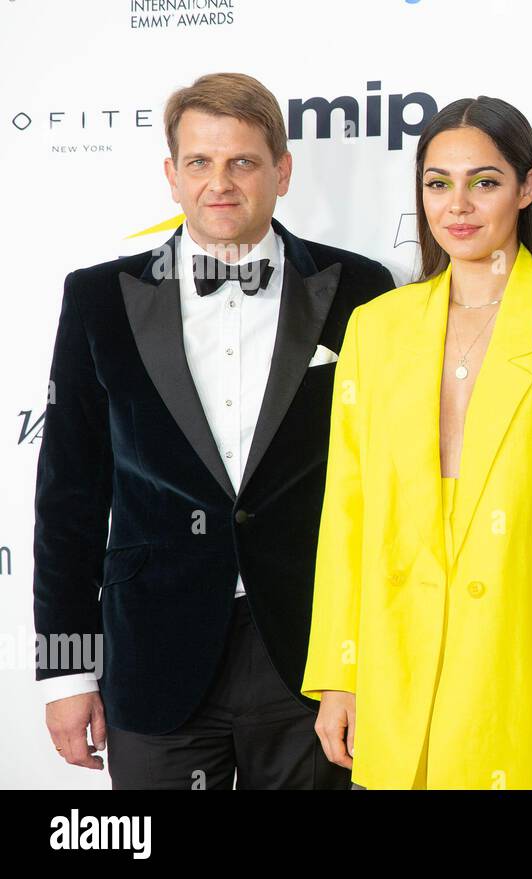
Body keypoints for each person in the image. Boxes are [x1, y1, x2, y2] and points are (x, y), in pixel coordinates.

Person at [34, 72, 395, 789]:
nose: (219, 182)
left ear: (282, 172)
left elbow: (387, 480)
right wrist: (66, 672)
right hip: (152, 652)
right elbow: (70, 496)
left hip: (313, 656)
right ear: (171, 175)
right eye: (199, 162)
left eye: (243, 162)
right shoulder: (99, 298)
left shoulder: (361, 289)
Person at [302, 96, 532, 790]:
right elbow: (347, 513)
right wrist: (340, 673)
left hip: (523, 664)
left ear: (527, 188)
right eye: (437, 182)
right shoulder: (376, 327)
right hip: (396, 669)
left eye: (484, 181)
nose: (458, 204)